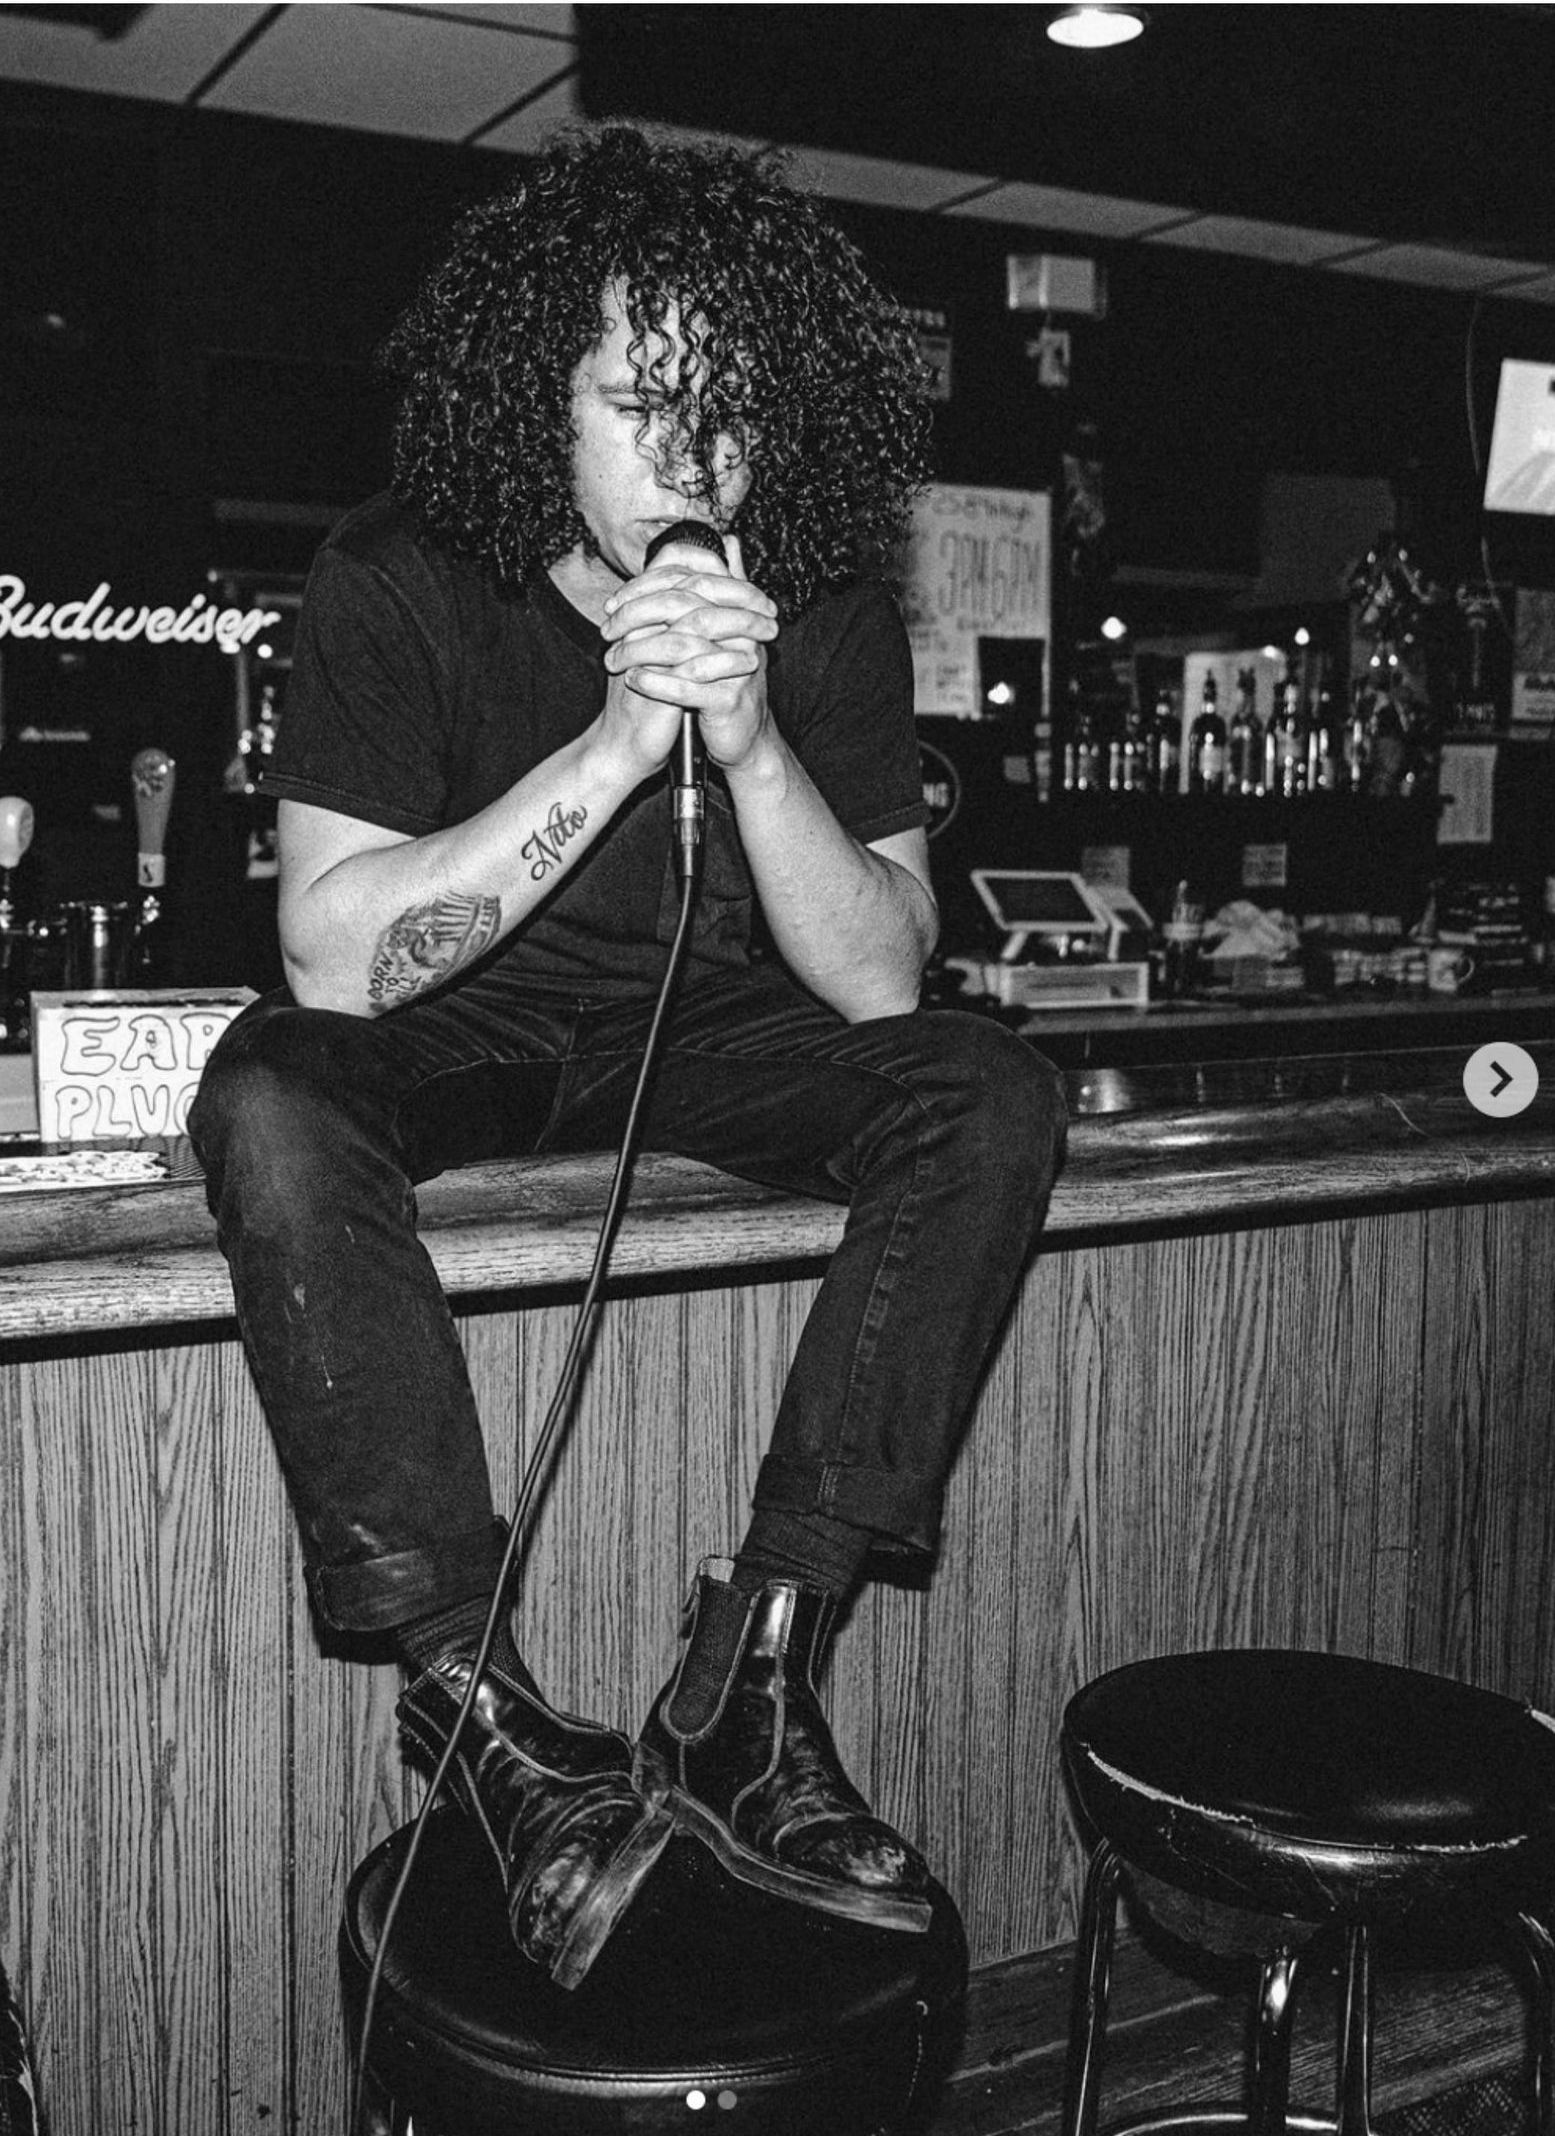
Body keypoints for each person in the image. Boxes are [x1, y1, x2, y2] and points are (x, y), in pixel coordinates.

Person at [189, 124, 1067, 1994]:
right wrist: (612, 742)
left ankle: (755, 1675)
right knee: (268, 1090)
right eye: (642, 403)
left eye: (733, 412)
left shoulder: (816, 601)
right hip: (468, 1026)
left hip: (726, 1028)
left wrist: (748, 747)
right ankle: (478, 1710)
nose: (694, 459)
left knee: (992, 1089)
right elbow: (335, 957)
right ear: (536, 402)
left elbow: (888, 981)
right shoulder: (395, 574)